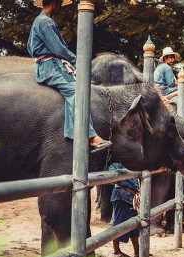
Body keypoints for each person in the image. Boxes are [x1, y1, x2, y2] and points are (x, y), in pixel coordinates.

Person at [27, 0, 111, 152]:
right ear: (54, 2)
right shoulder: (46, 22)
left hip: (49, 65)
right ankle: (90, 136)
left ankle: (74, 131)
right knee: (76, 91)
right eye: (59, 2)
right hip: (51, 67)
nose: (60, 6)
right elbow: (58, 49)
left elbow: (31, 47)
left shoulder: (40, 21)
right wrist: (78, 61)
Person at [109, 163, 140, 257]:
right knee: (119, 222)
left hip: (131, 196)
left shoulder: (129, 164)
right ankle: (117, 251)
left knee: (134, 224)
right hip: (121, 195)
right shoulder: (115, 165)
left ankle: (137, 252)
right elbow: (117, 178)